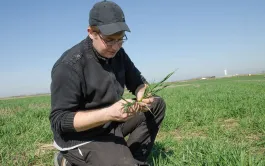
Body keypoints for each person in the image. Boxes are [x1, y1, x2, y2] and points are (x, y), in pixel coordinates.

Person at [49, 1, 166, 165]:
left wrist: (143, 96)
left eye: (121, 39)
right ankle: (67, 160)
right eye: (110, 40)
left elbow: (139, 82)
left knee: (156, 104)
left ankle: (133, 159)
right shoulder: (69, 66)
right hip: (82, 137)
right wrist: (109, 113)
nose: (116, 47)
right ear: (91, 32)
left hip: (110, 122)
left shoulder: (118, 53)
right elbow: (60, 121)